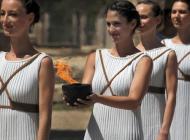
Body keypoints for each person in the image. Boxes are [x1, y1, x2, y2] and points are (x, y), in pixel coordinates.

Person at [71, 0, 153, 139]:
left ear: (132, 24)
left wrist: (98, 98)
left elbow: (134, 101)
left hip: (126, 132)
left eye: (117, 24)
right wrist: (74, 98)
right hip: (96, 132)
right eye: (108, 24)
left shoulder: (143, 61)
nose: (110, 29)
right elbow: (86, 94)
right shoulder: (95, 57)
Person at [0, 0, 54, 140]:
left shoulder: (42, 63)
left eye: (12, 14)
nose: (5, 20)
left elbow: (45, 117)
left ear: (30, 18)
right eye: (2, 13)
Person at [136, 1, 178, 140]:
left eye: (144, 16)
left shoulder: (168, 54)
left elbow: (171, 95)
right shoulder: (129, 53)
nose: (139, 21)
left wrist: (164, 131)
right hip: (129, 119)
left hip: (154, 119)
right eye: (136, 16)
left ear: (158, 20)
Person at [163, 0, 190, 140]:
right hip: (166, 107)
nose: (176, 15)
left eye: (182, 12)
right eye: (174, 12)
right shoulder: (163, 45)